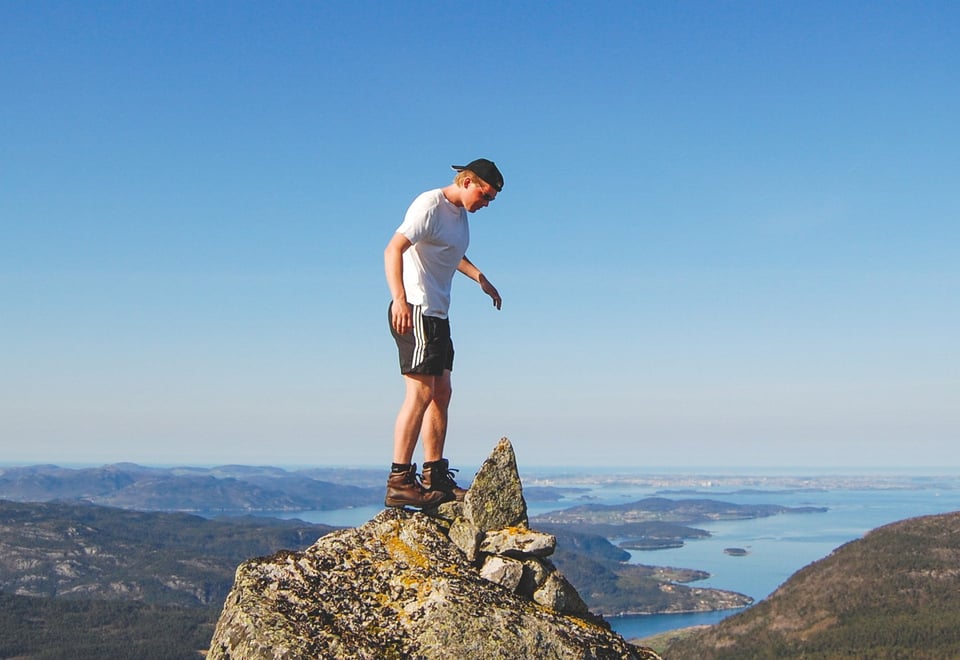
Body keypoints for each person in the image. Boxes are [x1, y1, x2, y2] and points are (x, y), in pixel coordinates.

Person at [383, 158, 504, 508]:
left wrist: (481, 278)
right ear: (467, 182)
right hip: (416, 309)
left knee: (442, 393)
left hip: (438, 313)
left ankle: (434, 474)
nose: (486, 203)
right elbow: (394, 248)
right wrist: (400, 300)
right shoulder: (430, 205)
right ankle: (399, 480)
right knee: (420, 394)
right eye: (485, 194)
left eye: (492, 199)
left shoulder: (459, 216)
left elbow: (452, 255)